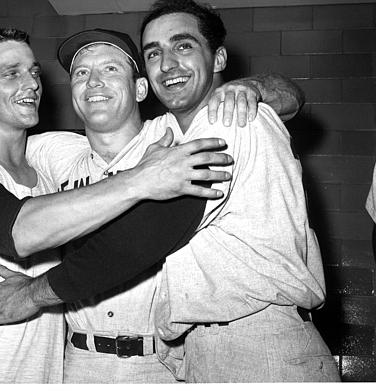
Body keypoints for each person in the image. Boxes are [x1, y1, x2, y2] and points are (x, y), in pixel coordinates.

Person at [0, 26, 312, 386]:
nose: (94, 82)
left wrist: (251, 86)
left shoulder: (175, 138)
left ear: (141, 88)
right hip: (77, 362)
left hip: (162, 362)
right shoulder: (53, 153)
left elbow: (287, 96)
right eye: (80, 74)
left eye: (110, 69)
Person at [139, 0, 341, 382]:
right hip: (211, 346)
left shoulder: (236, 117)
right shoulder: (164, 133)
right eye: (154, 53)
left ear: (218, 60)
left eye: (183, 46)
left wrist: (39, 291)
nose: (166, 64)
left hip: (260, 345)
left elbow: (289, 94)